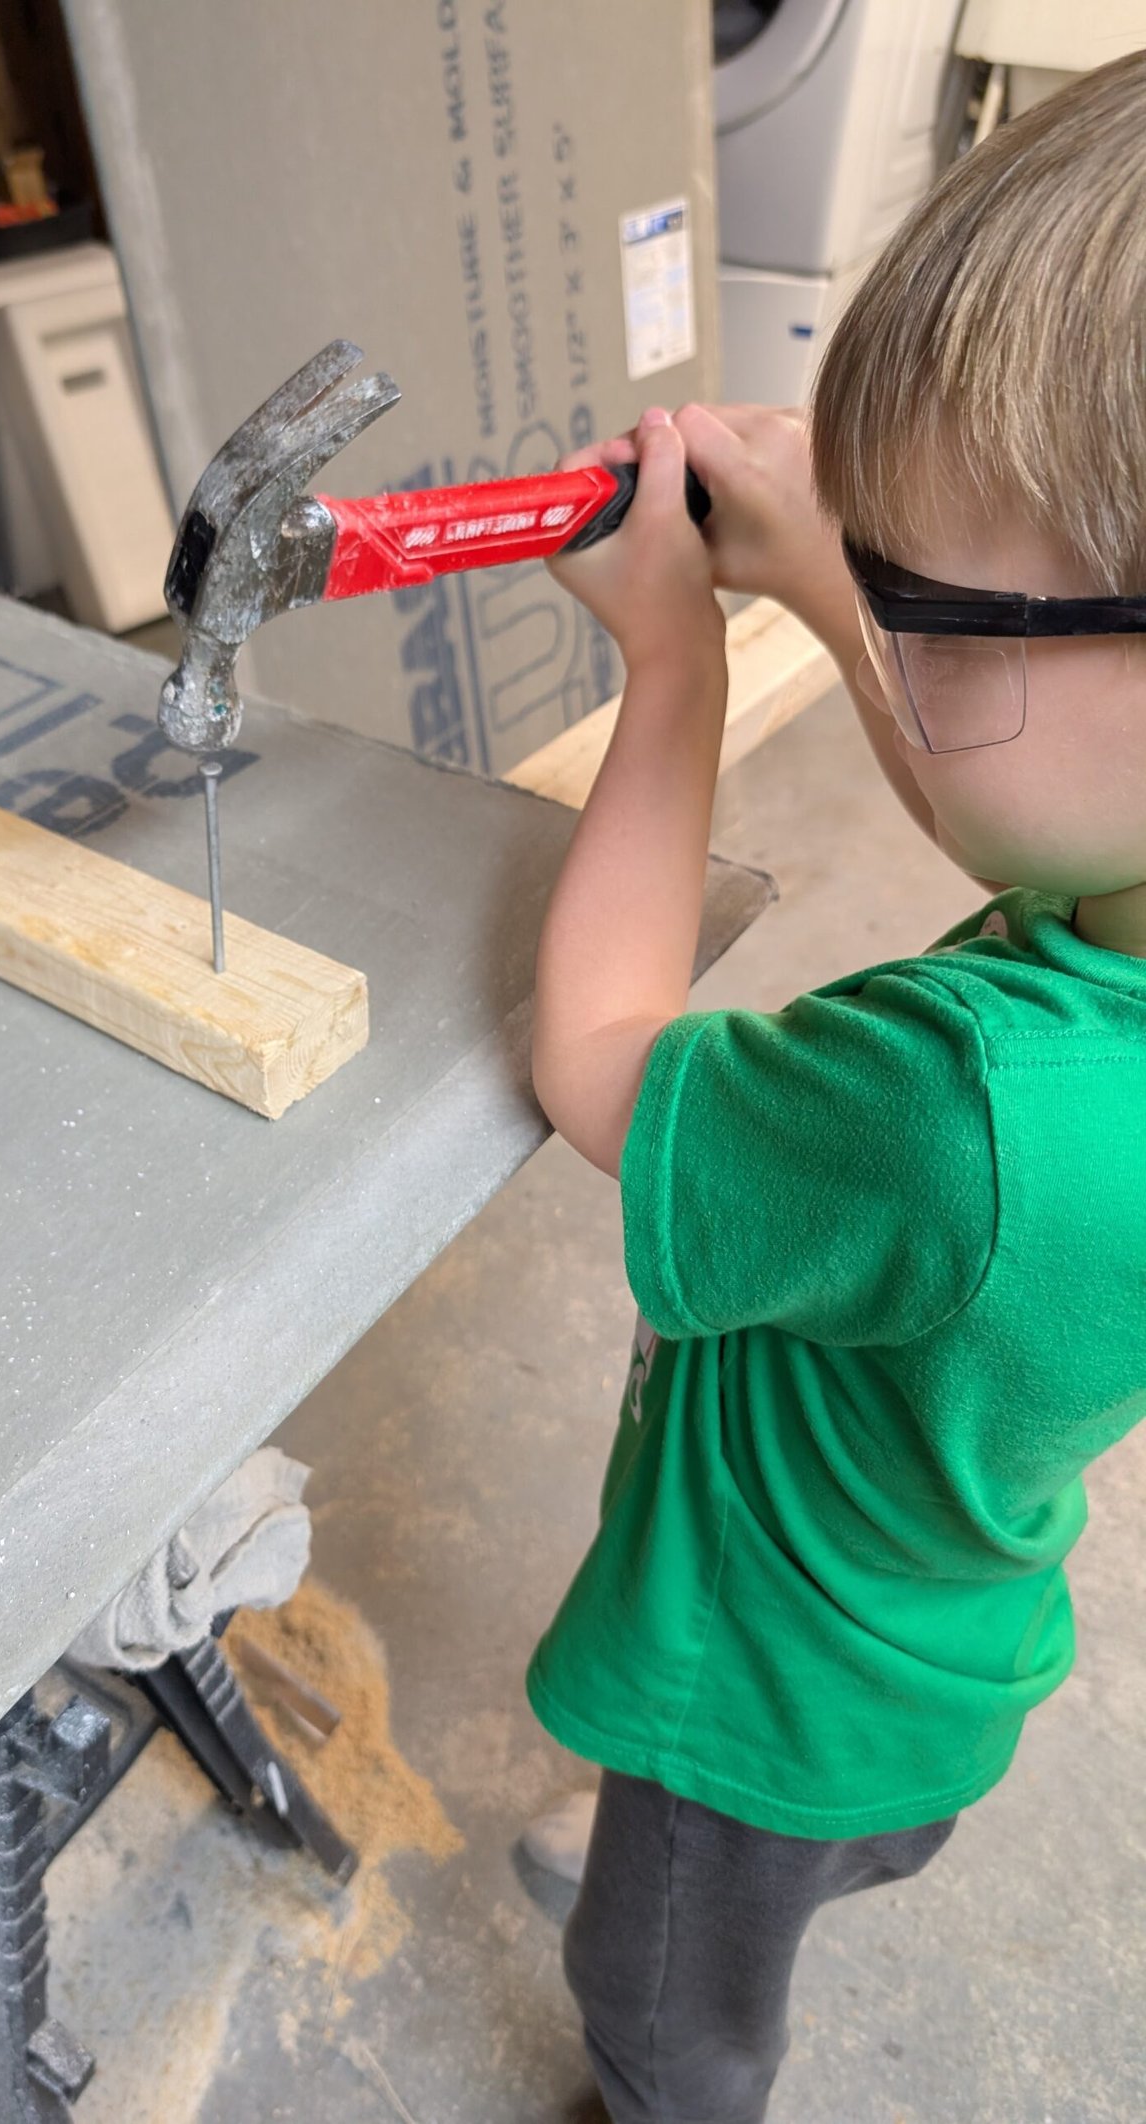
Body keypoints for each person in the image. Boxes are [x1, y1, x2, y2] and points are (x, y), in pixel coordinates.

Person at [523, 50, 1146, 2124]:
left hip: (755, 1717)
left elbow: (595, 1056)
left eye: (932, 617)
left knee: (663, 2008)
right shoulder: (1108, 931)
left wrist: (674, 663)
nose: (893, 644)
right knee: (830, 1874)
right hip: (940, 1656)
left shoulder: (947, 1110)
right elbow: (1045, 801)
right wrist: (819, 573)